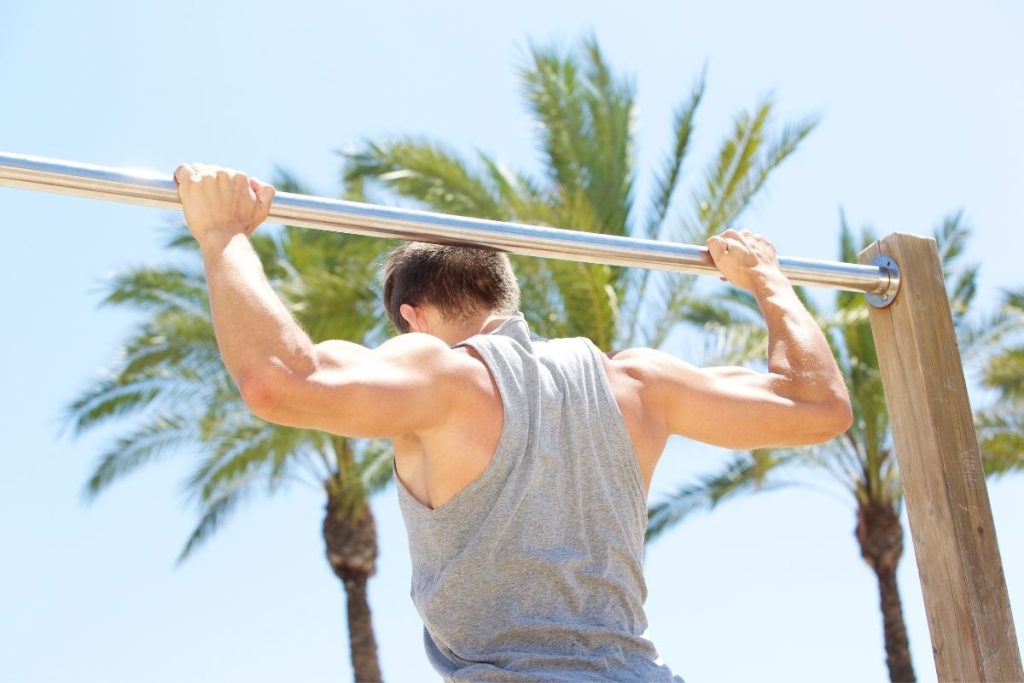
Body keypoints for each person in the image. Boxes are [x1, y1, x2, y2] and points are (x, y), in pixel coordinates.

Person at [174, 162, 853, 682]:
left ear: (412, 317)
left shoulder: (439, 375)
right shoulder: (640, 381)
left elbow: (280, 380)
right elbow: (818, 405)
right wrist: (768, 277)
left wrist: (221, 233)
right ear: (501, 286)